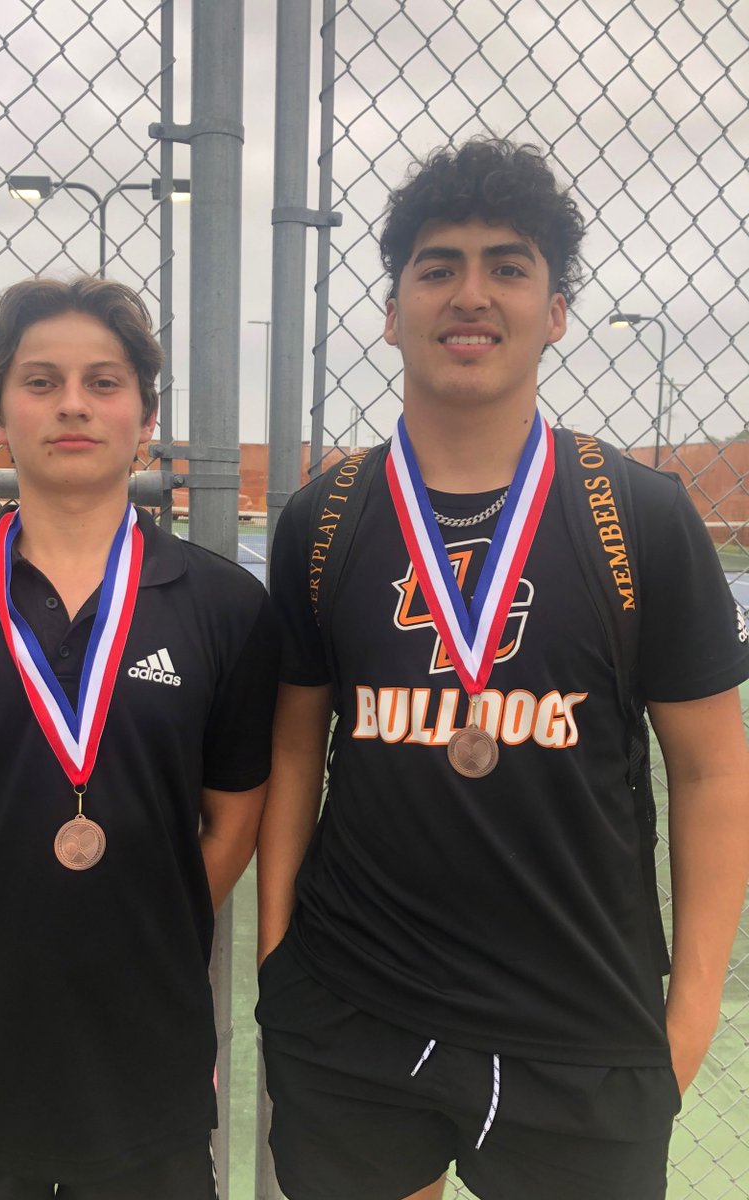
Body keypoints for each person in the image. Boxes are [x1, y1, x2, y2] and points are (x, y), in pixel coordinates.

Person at [256, 138, 749, 1200]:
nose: (469, 294)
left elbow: (712, 772)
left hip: (583, 1025)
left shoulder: (642, 519)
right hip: (352, 1009)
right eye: (437, 267)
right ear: (392, 310)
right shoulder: (326, 516)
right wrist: (278, 963)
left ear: (556, 309)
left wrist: (691, 1009)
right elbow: (295, 746)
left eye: (507, 265)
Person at [0, 276, 279, 1199]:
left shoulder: (227, 608)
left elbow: (234, 824)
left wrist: (133, 928)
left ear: (145, 416)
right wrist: (5, 940)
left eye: (104, 382)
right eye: (41, 381)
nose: (73, 403)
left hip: (144, 1073)